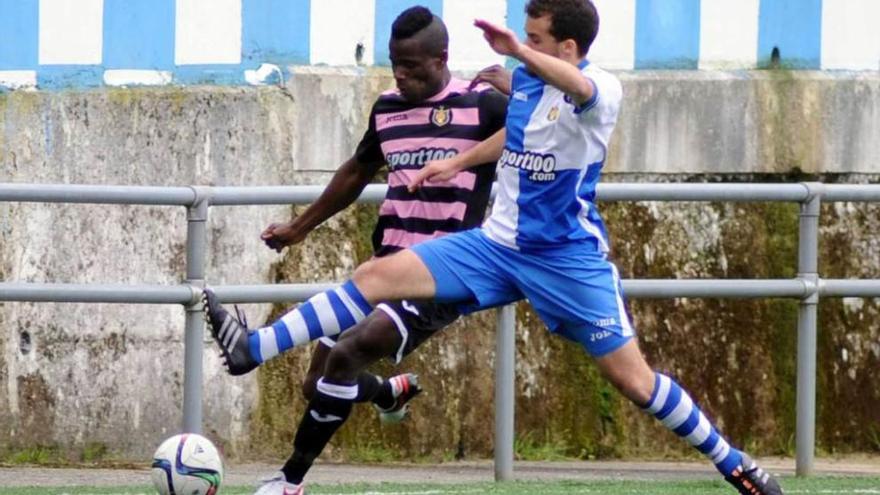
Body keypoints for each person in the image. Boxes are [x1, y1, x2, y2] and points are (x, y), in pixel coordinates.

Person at [205, 1, 784, 494]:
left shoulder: (602, 91)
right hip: (494, 245)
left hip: (565, 260)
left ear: (568, 44)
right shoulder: (528, 80)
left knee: (636, 383)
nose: (521, 47)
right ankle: (251, 350)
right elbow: (519, 132)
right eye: (522, 38)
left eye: (534, 39)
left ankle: (736, 465)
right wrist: (454, 160)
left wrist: (518, 53)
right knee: (373, 274)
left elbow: (576, 85)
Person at [204, 6, 508, 494]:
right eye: (395, 64)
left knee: (346, 356)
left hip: (441, 276)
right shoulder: (387, 107)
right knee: (317, 384)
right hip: (385, 266)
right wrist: (300, 227)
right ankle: (388, 392)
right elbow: (356, 170)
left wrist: (519, 90)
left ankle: (289, 481)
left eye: (412, 66)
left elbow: (551, 131)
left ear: (442, 58)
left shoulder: (484, 106)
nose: (401, 75)